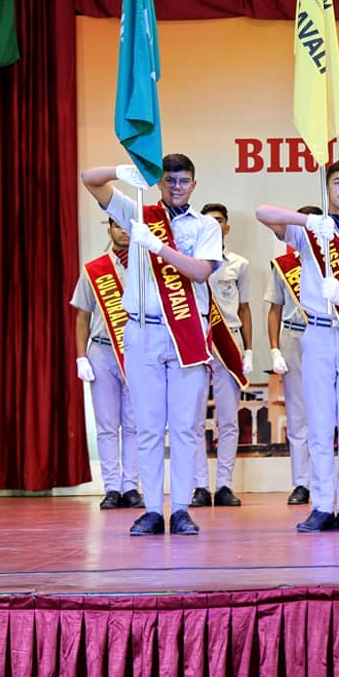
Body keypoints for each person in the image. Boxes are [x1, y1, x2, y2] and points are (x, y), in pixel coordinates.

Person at [81, 155, 223, 537]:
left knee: (185, 428)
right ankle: (151, 510)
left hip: (186, 332)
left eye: (183, 181)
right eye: (169, 180)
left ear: (194, 185)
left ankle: (181, 510)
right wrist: (120, 172)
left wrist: (158, 247)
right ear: (160, 182)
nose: (176, 187)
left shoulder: (206, 225)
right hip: (142, 330)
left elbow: (200, 271)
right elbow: (89, 179)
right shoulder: (138, 214)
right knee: (147, 427)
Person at [256, 160, 339, 533]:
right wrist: (309, 221)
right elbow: (263, 213)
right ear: (328, 188)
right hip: (316, 333)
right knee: (318, 423)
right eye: (338, 182)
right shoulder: (309, 234)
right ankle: (320, 506)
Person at [71, 218, 141, 510]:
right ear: (109, 229)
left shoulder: (147, 266)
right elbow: (82, 315)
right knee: (107, 424)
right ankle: (112, 487)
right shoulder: (94, 269)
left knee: (135, 425)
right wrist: (81, 356)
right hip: (101, 349)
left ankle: (131, 487)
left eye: (127, 225)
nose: (123, 231)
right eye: (117, 225)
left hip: (138, 352)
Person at [190, 203, 253, 509]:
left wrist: (249, 349)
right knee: (194, 420)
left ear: (227, 227)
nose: (214, 226)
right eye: (209, 222)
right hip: (195, 341)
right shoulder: (188, 262)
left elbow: (245, 308)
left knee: (228, 420)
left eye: (219, 222)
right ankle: (200, 486)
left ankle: (224, 485)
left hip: (229, 341)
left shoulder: (239, 264)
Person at [265, 206, 319, 507]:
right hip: (293, 336)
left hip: (325, 336)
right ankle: (301, 483)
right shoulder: (283, 265)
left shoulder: (335, 263)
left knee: (327, 415)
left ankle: (325, 481)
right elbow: (274, 310)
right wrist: (274, 348)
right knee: (298, 415)